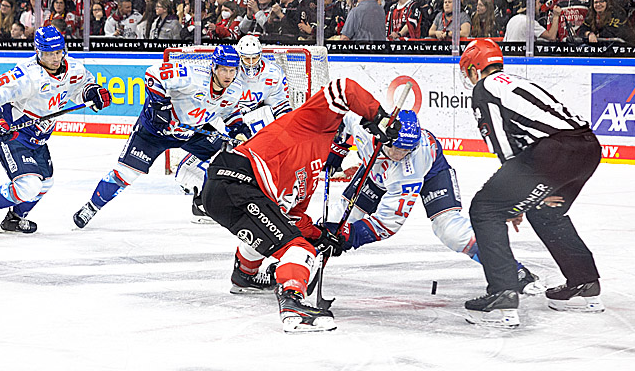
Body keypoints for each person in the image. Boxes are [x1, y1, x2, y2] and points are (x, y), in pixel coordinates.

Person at [200, 77, 401, 332]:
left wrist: (322, 235)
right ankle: (294, 307)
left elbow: (291, 218)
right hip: (237, 177)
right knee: (298, 249)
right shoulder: (313, 121)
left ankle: (245, 275)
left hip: (229, 194)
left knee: (281, 234)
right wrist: (378, 116)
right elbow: (343, 88)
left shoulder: (312, 175)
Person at [459, 39, 604, 327]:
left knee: (485, 208)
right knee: (547, 212)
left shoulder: (483, 88)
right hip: (587, 150)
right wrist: (522, 197)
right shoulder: (515, 80)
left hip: (555, 154)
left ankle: (503, 293)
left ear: (476, 68)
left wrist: (512, 194)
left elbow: (503, 145)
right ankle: (585, 283)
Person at [323, 110, 541, 290]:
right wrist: (337, 147)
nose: (400, 154)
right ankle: (302, 258)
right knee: (339, 216)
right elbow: (341, 117)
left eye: (406, 150)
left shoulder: (412, 165)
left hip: (431, 173)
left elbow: (387, 223)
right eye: (396, 147)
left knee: (451, 231)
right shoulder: (364, 126)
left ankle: (511, 269)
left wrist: (350, 237)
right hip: (376, 169)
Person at [72, 45, 248, 229]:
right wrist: (160, 107)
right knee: (125, 174)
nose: (228, 75)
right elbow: (153, 74)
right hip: (154, 132)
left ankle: (201, 202)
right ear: (214, 67)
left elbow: (230, 111)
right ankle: (92, 206)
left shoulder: (235, 88)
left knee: (223, 157)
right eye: (224, 70)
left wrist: (238, 129)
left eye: (232, 70)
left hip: (191, 131)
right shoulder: (192, 75)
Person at [0, 26, 112, 236]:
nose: (54, 58)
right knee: (28, 186)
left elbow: (82, 88)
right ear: (38, 52)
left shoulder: (74, 69)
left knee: (45, 183)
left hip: (38, 138)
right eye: (48, 54)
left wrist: (94, 92)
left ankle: (13, 219)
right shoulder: (27, 75)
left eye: (58, 52)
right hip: (13, 134)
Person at [174, 35, 291, 222]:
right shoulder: (227, 72)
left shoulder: (273, 74)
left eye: (255, 58)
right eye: (246, 59)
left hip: (246, 122)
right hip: (223, 118)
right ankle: (200, 192)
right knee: (221, 156)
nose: (251, 64)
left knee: (263, 134)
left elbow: (281, 107)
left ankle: (259, 193)